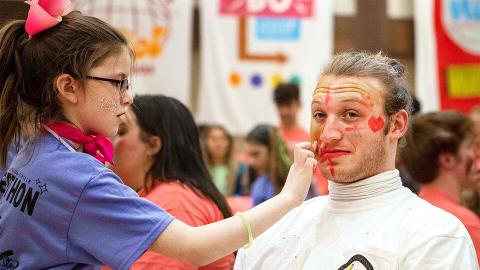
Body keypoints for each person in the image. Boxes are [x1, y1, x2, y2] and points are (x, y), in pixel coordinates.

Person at [0, 4, 316, 269]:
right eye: (118, 82)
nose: (127, 98)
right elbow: (195, 246)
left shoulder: (27, 143)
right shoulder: (80, 176)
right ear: (69, 87)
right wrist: (289, 198)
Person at [234, 51, 478, 269]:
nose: (328, 134)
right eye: (319, 115)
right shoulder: (270, 232)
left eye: (351, 114)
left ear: (397, 124)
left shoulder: (434, 237)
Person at [112, 95, 234, 269]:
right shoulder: (167, 195)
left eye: (121, 132)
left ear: (153, 145)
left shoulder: (174, 203)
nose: (109, 139)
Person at [401, 111, 480, 262]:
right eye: (469, 147)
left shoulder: (411, 211)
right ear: (447, 159)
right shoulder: (462, 223)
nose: (474, 155)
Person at [273, 83, 328, 195]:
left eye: (288, 105)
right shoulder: (271, 135)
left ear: (299, 104)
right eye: (280, 105)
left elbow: (319, 176)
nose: (284, 111)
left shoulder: (309, 138)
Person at [245, 125, 292, 206]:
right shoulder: (259, 186)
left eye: (256, 154)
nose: (251, 162)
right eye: (250, 155)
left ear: (273, 151)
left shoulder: (299, 179)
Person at [200, 124, 238, 196]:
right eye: (214, 139)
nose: (219, 144)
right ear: (205, 143)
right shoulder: (200, 170)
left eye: (223, 139)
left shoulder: (239, 169)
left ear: (229, 142)